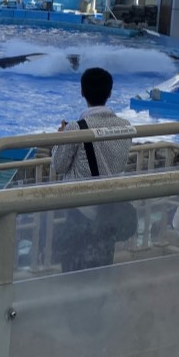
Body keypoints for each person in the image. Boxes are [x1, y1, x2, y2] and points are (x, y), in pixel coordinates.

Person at [50, 68, 135, 272]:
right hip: (109, 208)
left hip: (81, 209)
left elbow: (58, 165)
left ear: (82, 92)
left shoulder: (76, 128)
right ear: (110, 93)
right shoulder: (125, 126)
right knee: (102, 267)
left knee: (74, 271)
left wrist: (61, 138)